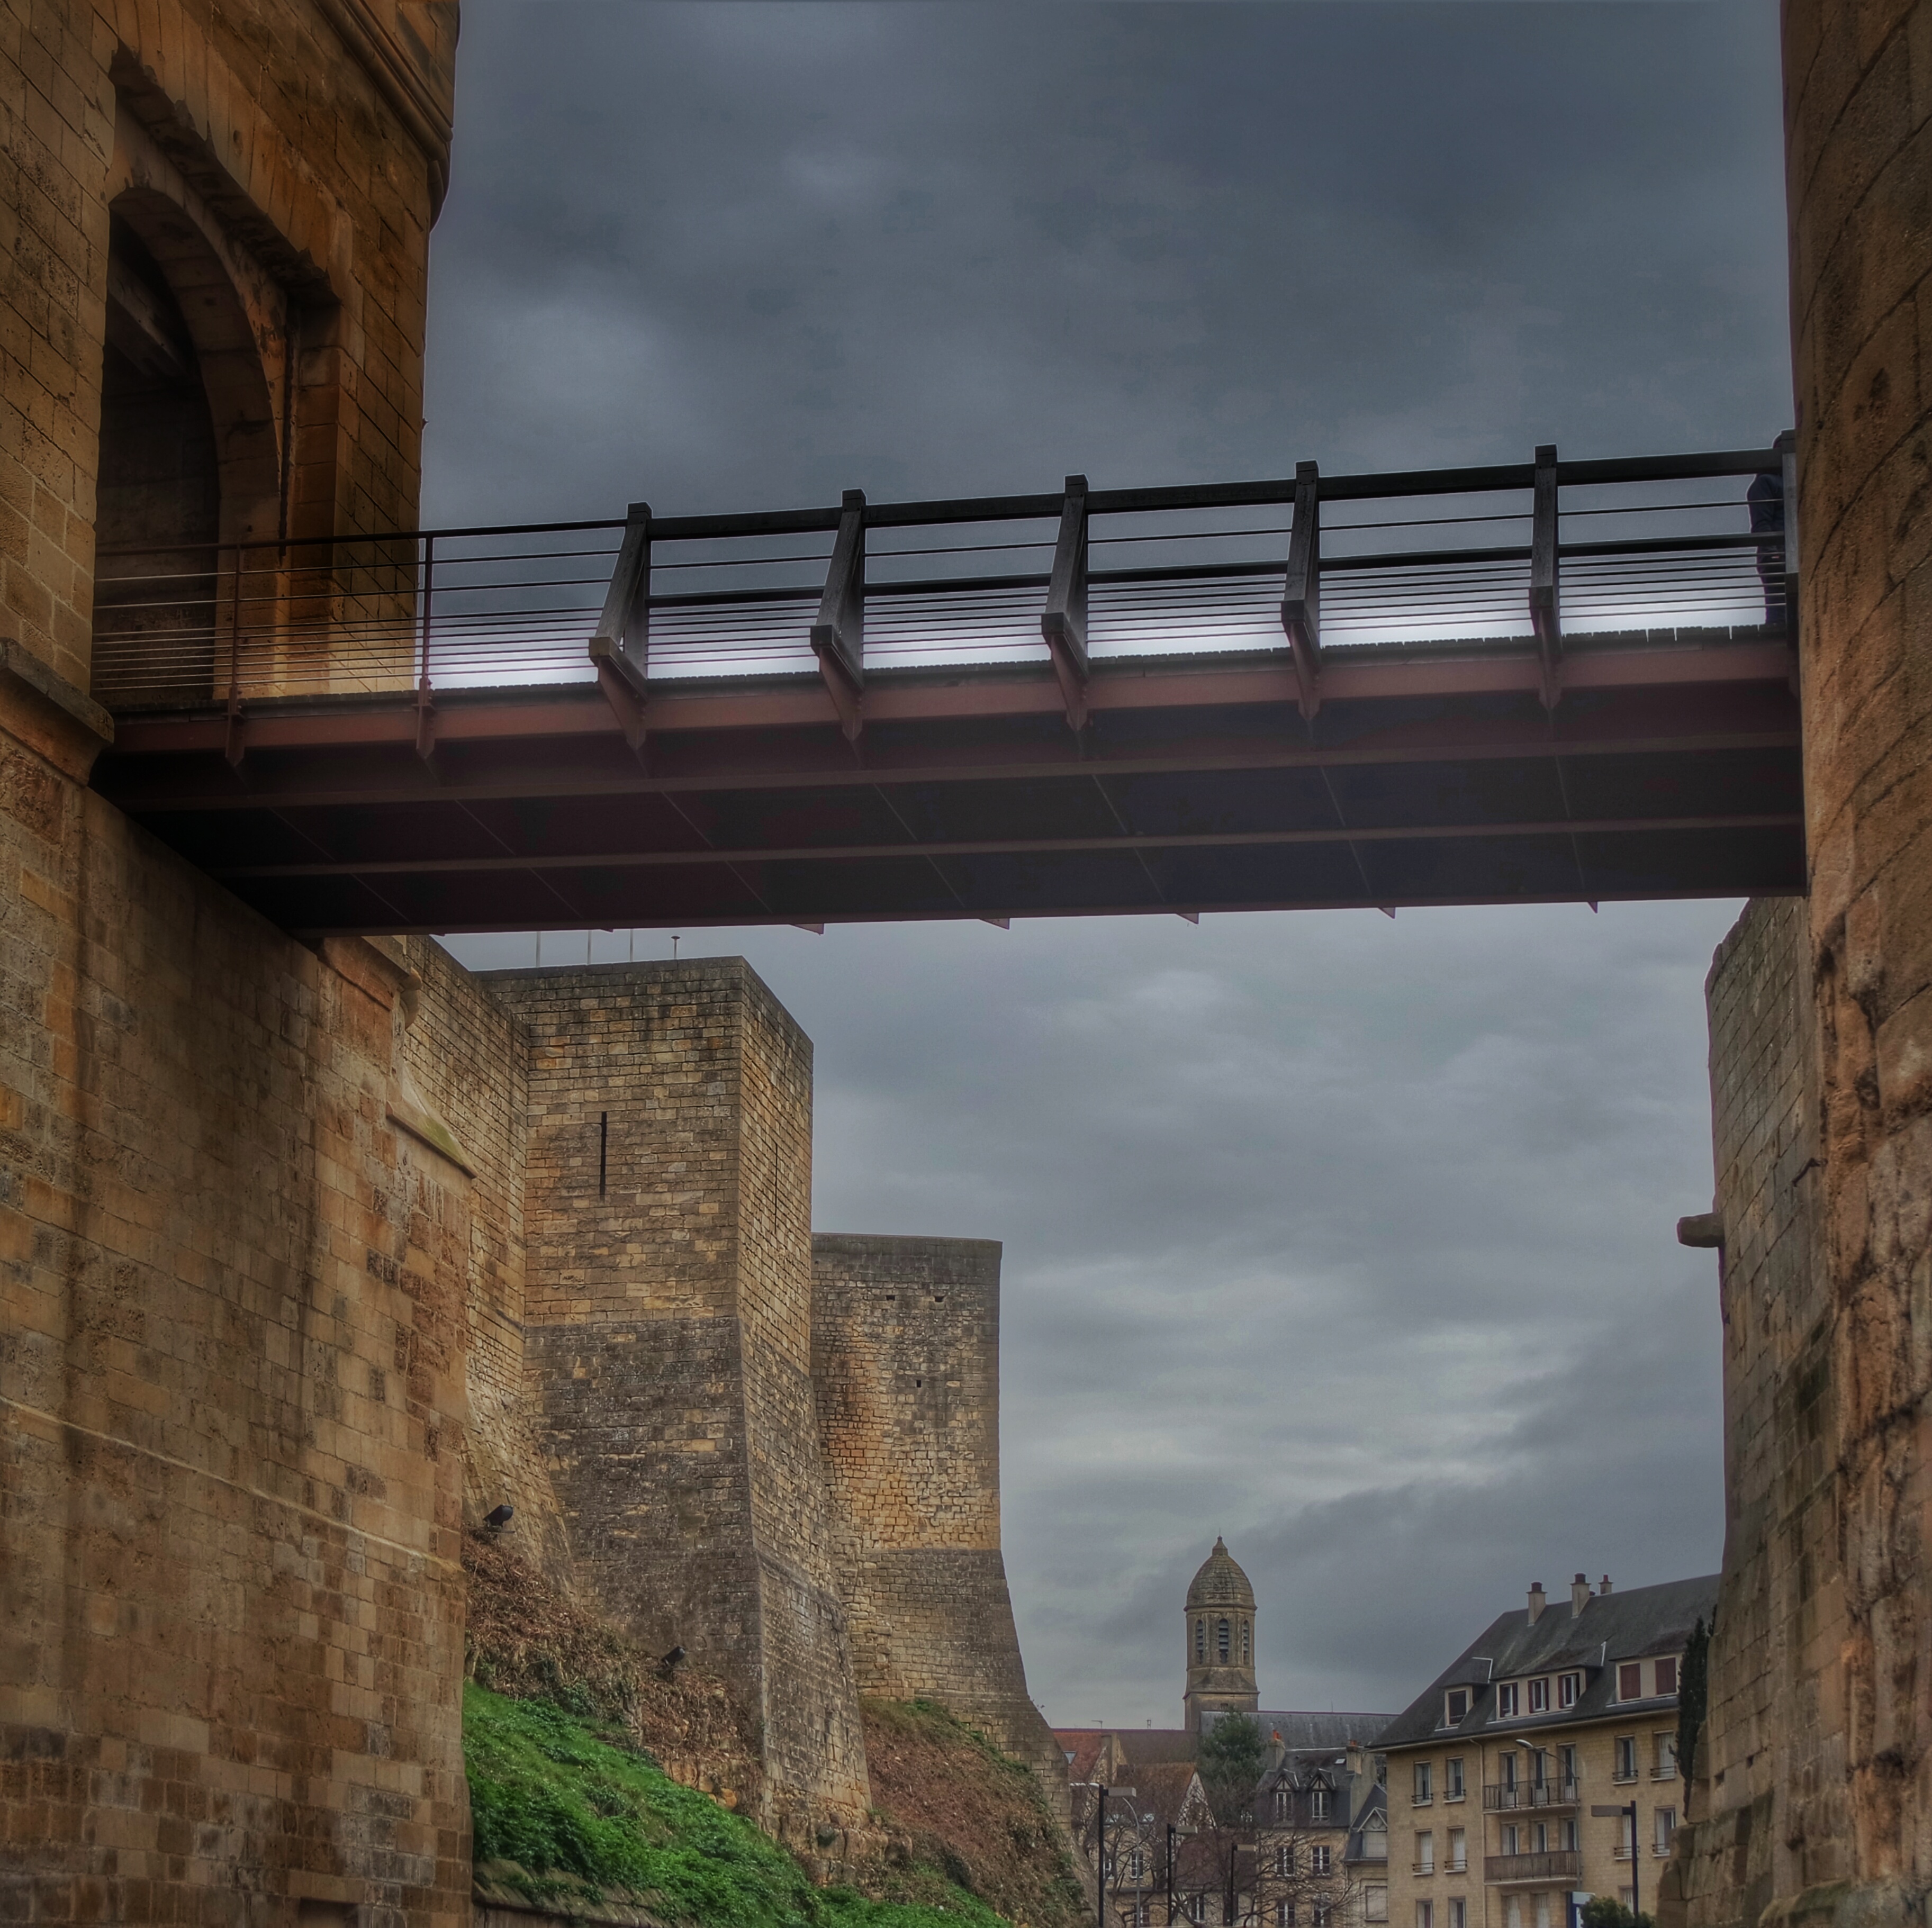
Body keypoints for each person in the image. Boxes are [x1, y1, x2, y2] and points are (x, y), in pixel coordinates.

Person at [1748, 467, 1786, 629]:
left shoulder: (1787, 482)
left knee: (1783, 607)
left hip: (1785, 553)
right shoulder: (1767, 482)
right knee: (1778, 608)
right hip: (1776, 553)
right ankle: (1776, 635)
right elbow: (1761, 523)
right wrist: (1772, 552)